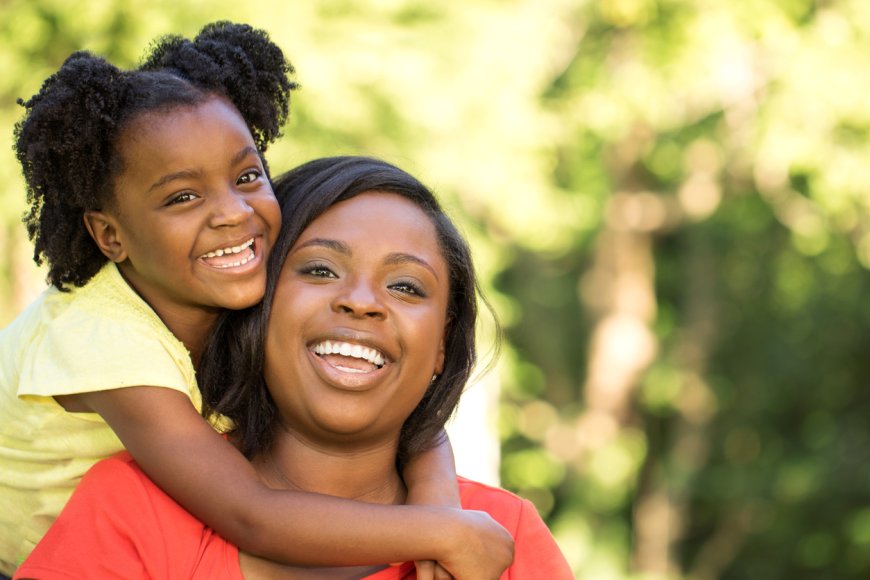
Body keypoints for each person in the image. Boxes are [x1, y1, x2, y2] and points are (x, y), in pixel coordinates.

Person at [0, 23, 512, 579]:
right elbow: (252, 515)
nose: (232, 213)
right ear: (110, 236)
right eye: (183, 196)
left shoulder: (227, 289)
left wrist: (437, 495)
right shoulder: (106, 343)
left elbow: (398, 399)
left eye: (247, 176)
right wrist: (441, 531)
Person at [15, 156, 573, 579]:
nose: (362, 301)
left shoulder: (502, 537)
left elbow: (426, 434)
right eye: (321, 270)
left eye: (405, 286)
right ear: (254, 301)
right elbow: (253, 514)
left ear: (443, 346)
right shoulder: (131, 507)